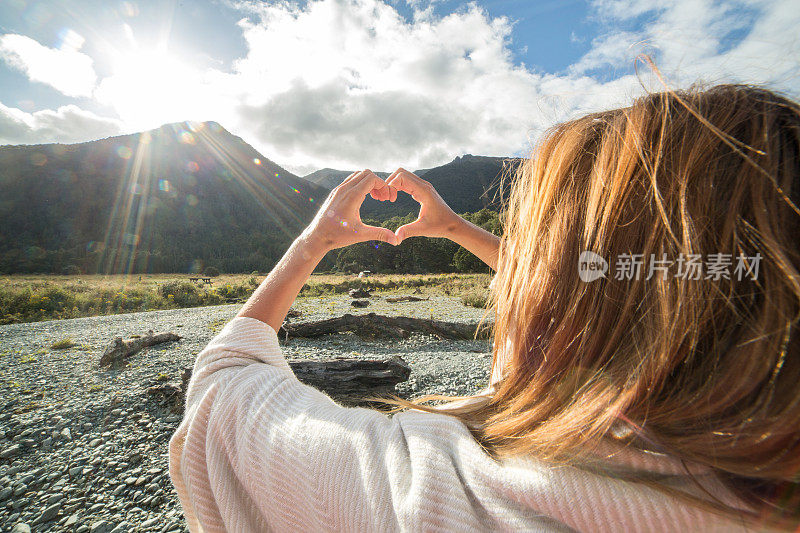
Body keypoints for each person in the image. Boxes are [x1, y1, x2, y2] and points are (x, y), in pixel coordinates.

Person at [169, 84, 800, 532]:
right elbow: (594, 294)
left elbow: (223, 387)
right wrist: (453, 228)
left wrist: (314, 242)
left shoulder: (438, 499)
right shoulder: (759, 483)